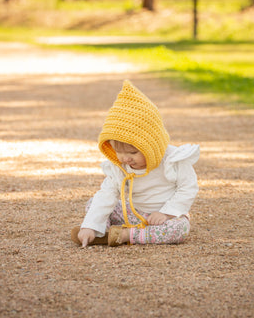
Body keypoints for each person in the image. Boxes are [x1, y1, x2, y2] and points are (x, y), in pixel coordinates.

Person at [71, 80, 199, 247]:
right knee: (94, 203)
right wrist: (90, 225)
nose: (125, 159)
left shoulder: (173, 159)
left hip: (163, 217)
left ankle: (126, 235)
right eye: (119, 152)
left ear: (153, 145)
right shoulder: (120, 166)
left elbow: (188, 187)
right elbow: (108, 193)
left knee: (179, 228)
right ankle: (100, 232)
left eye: (132, 153)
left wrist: (167, 213)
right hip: (133, 213)